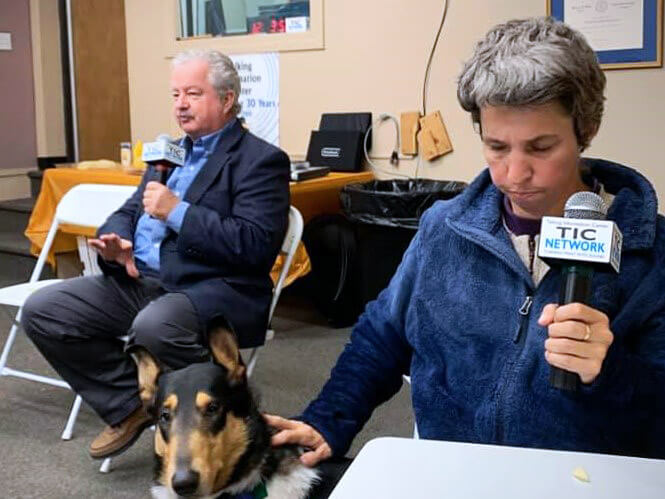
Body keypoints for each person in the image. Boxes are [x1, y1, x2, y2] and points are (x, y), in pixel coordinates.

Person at [267, 16, 665, 476]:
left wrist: (609, 372)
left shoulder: (650, 255)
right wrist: (327, 421)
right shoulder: (443, 229)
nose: (514, 175)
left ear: (586, 129)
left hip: (582, 480)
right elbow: (382, 337)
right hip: (451, 471)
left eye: (540, 148)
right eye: (497, 147)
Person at [22, 49, 290, 460]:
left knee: (155, 326)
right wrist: (116, 240)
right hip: (144, 279)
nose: (180, 104)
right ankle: (133, 404)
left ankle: (231, 427)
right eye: (175, 94)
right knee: (44, 308)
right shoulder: (169, 153)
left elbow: (254, 245)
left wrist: (177, 212)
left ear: (227, 99)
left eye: (193, 93)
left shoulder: (261, 160)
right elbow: (129, 210)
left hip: (216, 287)